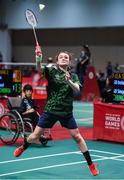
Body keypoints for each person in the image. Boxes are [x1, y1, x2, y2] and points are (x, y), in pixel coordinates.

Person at [14, 46, 99, 176]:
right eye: (61, 57)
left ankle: (91, 165)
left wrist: (69, 81)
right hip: (51, 110)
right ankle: (23, 147)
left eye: (66, 57)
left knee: (77, 137)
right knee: (34, 136)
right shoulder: (51, 71)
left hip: (66, 112)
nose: (63, 58)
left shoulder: (73, 75)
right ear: (57, 60)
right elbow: (38, 68)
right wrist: (38, 58)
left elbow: (77, 89)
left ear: (69, 61)